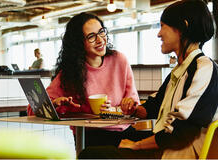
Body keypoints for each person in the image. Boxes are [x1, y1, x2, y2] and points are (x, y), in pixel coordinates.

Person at [78, 0, 218, 159]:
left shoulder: (203, 68)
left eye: (163, 26)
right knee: (96, 149)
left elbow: (182, 131)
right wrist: (134, 109)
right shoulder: (182, 69)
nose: (159, 34)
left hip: (178, 154)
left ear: (182, 27)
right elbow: (153, 106)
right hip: (167, 149)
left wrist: (136, 145)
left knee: (91, 155)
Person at [27, 12, 142, 147]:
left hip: (124, 133)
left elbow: (135, 106)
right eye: (91, 36)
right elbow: (33, 109)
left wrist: (114, 111)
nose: (100, 40)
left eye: (101, 32)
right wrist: (56, 104)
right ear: (79, 43)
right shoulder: (70, 72)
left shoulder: (119, 60)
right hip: (89, 137)